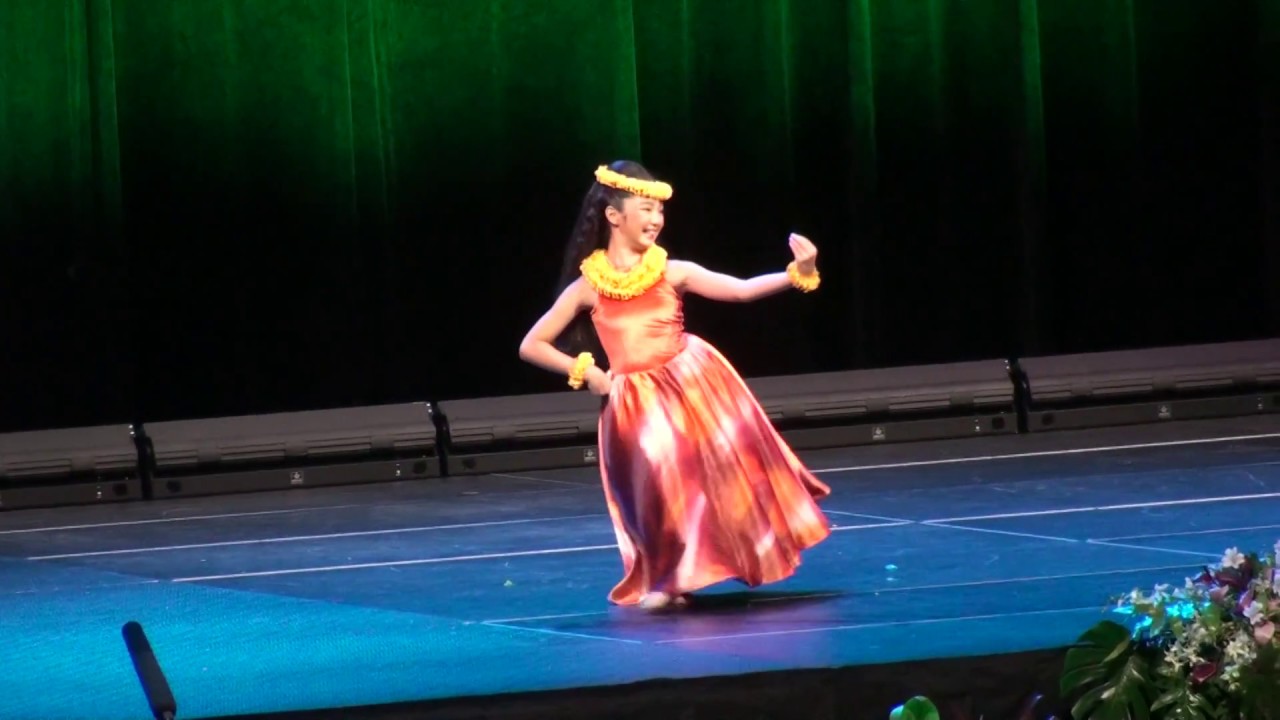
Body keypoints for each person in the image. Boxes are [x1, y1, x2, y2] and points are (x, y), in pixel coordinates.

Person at [518, 160, 831, 610]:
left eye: (660, 211)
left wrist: (796, 272)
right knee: (654, 493)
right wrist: (586, 371)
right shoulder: (589, 286)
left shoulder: (672, 271)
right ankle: (668, 575)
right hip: (632, 401)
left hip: (688, 386)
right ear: (614, 216)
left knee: (702, 480)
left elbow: (739, 289)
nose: (656, 220)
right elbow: (533, 344)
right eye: (646, 209)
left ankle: (679, 577)